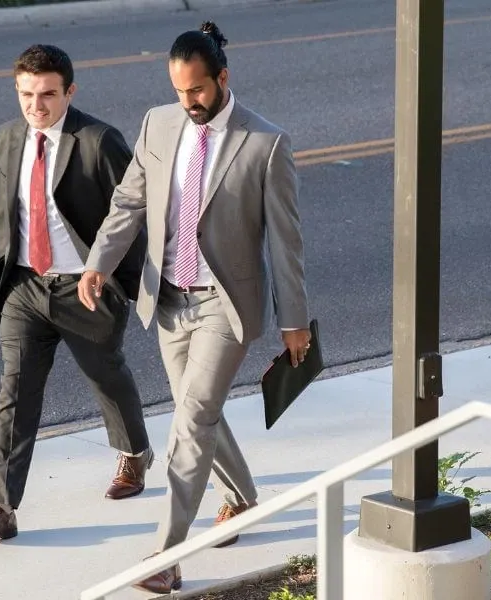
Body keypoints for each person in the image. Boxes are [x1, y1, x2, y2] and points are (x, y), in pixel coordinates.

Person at [77, 22, 311, 593]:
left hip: (224, 307)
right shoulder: (159, 124)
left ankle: (166, 556)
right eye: (180, 91)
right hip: (168, 301)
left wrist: (294, 320)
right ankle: (242, 495)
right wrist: (99, 262)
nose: (189, 103)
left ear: (223, 78)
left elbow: (286, 239)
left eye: (198, 91)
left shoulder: (265, 142)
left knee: (193, 418)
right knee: (194, 409)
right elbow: (130, 200)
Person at [0, 44, 154, 543]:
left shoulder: (98, 140)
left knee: (105, 376)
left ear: (70, 91)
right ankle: (1, 507)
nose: (36, 106)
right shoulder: (7, 138)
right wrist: (7, 277)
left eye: (48, 94)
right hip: (25, 287)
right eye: (27, 94)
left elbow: (134, 213)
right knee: (16, 394)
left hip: (85, 288)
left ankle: (134, 452)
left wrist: (119, 283)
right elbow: (10, 214)